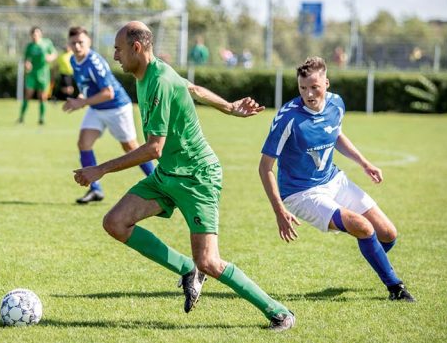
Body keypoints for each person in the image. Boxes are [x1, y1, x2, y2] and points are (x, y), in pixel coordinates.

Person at [73, 21, 295, 331]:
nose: (115, 56)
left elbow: (153, 149)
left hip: (197, 178)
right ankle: (185, 269)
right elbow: (191, 87)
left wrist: (101, 169)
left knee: (210, 262)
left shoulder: (158, 82)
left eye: (118, 49)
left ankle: (279, 312)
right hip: (168, 175)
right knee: (115, 222)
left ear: (136, 48)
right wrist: (229, 106)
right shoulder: (149, 73)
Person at [257, 56, 415, 303]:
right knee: (363, 227)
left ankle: (372, 254)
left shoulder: (336, 105)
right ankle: (395, 287)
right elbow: (265, 167)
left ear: (326, 83)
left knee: (388, 234)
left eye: (314, 87)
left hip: (333, 180)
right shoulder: (288, 118)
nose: (308, 94)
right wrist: (279, 210)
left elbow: (336, 135)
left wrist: (364, 163)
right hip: (301, 193)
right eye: (302, 88)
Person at [63, 26, 155, 204]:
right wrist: (79, 99)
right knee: (84, 143)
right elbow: (87, 88)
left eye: (81, 42)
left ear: (88, 42)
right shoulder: (74, 61)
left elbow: (108, 93)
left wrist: (81, 102)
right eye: (73, 43)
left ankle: (158, 181)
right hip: (97, 109)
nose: (77, 46)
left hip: (116, 108)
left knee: (130, 148)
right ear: (69, 44)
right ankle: (95, 189)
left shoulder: (94, 62)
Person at [18, 26, 56, 125]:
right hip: (32, 75)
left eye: (37, 34)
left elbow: (54, 53)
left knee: (42, 97)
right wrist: (27, 65)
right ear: (31, 35)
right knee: (28, 95)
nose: (35, 36)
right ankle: (21, 117)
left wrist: (50, 57)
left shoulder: (46, 43)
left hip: (43, 74)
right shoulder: (29, 47)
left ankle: (41, 119)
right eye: (33, 34)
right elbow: (26, 60)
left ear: (40, 34)